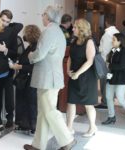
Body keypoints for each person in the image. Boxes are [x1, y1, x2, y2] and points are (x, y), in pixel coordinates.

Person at [23, 6, 76, 150]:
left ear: (47, 16)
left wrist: (30, 56)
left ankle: (68, 139)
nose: (42, 17)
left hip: (48, 79)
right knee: (43, 112)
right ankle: (38, 145)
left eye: (43, 14)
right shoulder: (58, 31)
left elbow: (39, 54)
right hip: (50, 77)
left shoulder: (49, 31)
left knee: (49, 111)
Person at [66, 18, 98, 137]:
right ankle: (69, 127)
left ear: (81, 29)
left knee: (88, 104)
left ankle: (92, 127)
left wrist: (77, 73)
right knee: (71, 102)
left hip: (87, 77)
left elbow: (90, 61)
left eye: (75, 27)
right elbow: (70, 58)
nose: (72, 29)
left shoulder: (89, 41)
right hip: (74, 75)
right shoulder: (74, 41)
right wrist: (68, 70)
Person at [0, 9, 23, 128]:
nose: (4, 23)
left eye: (7, 21)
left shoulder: (12, 32)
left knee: (9, 95)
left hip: (8, 68)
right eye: (2, 20)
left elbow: (15, 53)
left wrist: (5, 50)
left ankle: (10, 117)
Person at [11, 25, 40, 135]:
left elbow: (35, 67)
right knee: (22, 102)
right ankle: (23, 124)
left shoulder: (35, 48)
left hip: (30, 79)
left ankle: (32, 126)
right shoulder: (31, 46)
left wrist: (20, 67)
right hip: (24, 79)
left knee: (31, 103)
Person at [102, 33, 125, 125]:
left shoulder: (124, 51)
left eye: (114, 39)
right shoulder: (113, 50)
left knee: (120, 98)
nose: (112, 41)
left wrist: (109, 65)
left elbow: (122, 65)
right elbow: (109, 62)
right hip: (111, 76)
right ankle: (111, 117)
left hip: (121, 78)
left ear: (120, 41)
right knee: (108, 97)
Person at [95, 16, 119, 109]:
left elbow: (104, 51)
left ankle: (105, 102)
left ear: (106, 22)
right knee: (110, 82)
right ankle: (110, 100)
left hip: (106, 63)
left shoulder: (107, 34)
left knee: (104, 82)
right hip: (113, 63)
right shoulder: (117, 32)